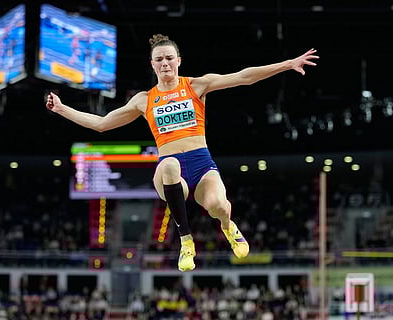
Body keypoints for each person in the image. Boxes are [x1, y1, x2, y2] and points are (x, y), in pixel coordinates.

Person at [46, 34, 319, 272]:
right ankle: (185, 240)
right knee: (170, 166)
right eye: (159, 59)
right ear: (152, 65)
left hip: (202, 165)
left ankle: (227, 225)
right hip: (169, 170)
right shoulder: (144, 100)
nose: (164, 63)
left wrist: (287, 64)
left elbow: (244, 77)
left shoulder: (197, 86)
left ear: (178, 61)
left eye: (169, 58)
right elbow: (102, 124)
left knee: (219, 206)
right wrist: (61, 109)